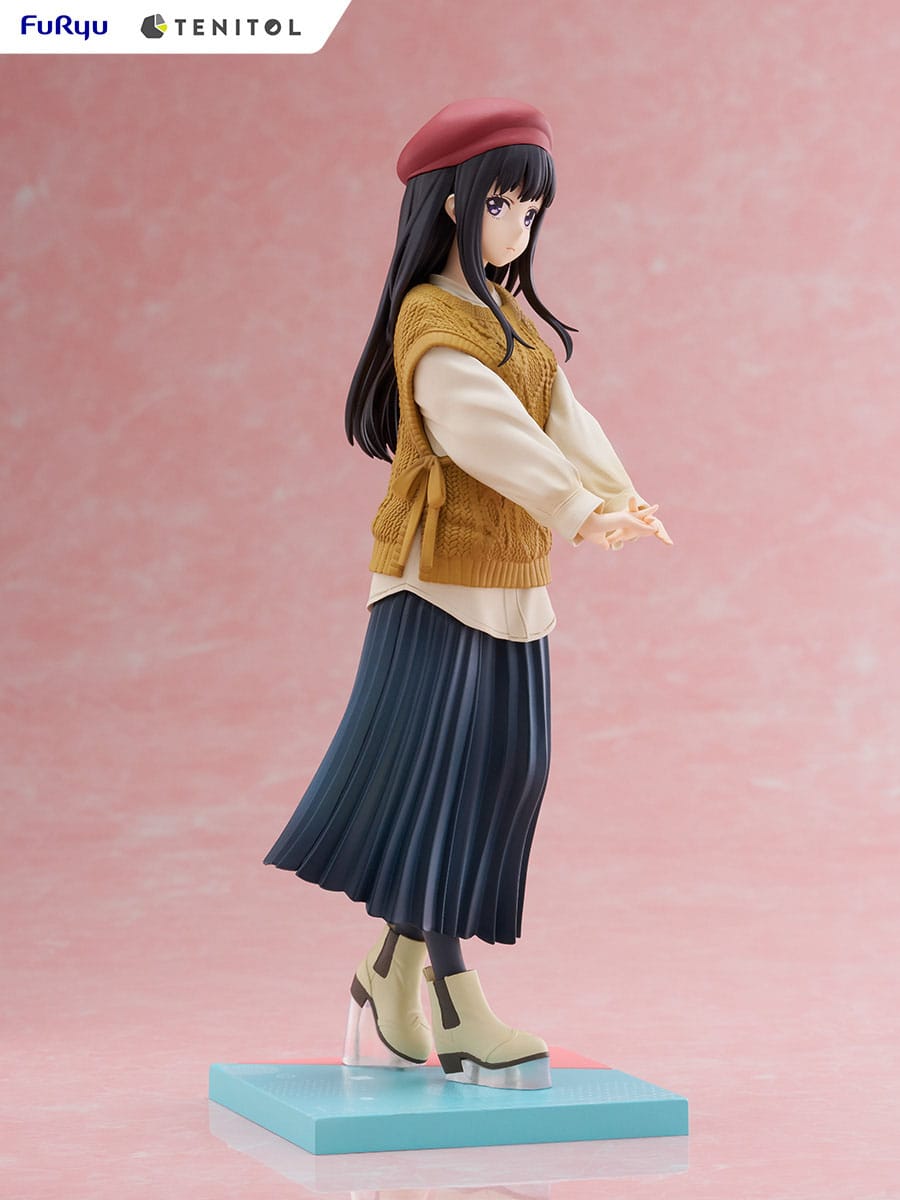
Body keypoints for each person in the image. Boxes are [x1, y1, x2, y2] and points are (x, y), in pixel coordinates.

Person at [264, 98, 672, 1091]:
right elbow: (488, 432)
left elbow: (562, 415)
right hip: (436, 586)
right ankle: (453, 999)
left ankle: (386, 969)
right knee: (442, 787)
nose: (519, 228)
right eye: (503, 205)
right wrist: (576, 508)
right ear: (453, 203)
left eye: (532, 212)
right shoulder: (432, 321)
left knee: (508, 771)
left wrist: (615, 493)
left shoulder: (509, 319)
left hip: (513, 582)